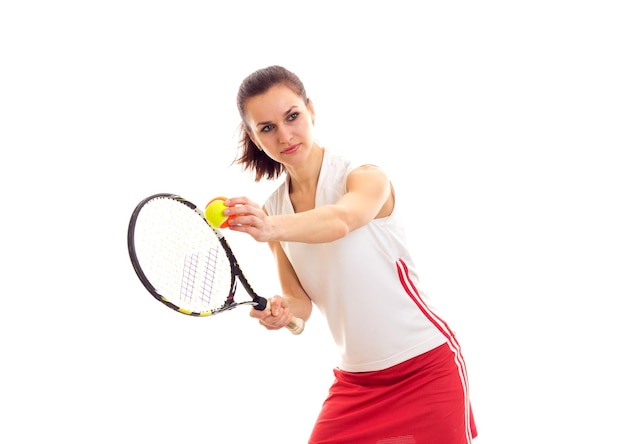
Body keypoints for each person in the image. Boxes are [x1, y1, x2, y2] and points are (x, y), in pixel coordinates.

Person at [222, 65, 478, 443]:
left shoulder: (364, 177)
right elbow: (301, 302)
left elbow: (342, 219)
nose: (285, 135)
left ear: (311, 110)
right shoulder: (273, 211)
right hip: (357, 381)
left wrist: (270, 228)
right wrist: (282, 311)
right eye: (268, 128)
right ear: (255, 138)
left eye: (292, 116)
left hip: (426, 366)